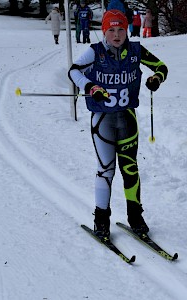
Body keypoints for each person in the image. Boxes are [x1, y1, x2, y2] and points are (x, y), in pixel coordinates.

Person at [68, 9, 168, 238]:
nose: (116, 34)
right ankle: (101, 219)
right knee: (106, 170)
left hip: (127, 119)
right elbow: (73, 71)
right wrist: (90, 87)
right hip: (102, 120)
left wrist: (155, 79)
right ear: (104, 31)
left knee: (130, 169)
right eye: (111, 30)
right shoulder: (95, 52)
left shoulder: (135, 50)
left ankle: (135, 216)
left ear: (127, 30)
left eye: (121, 29)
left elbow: (162, 66)